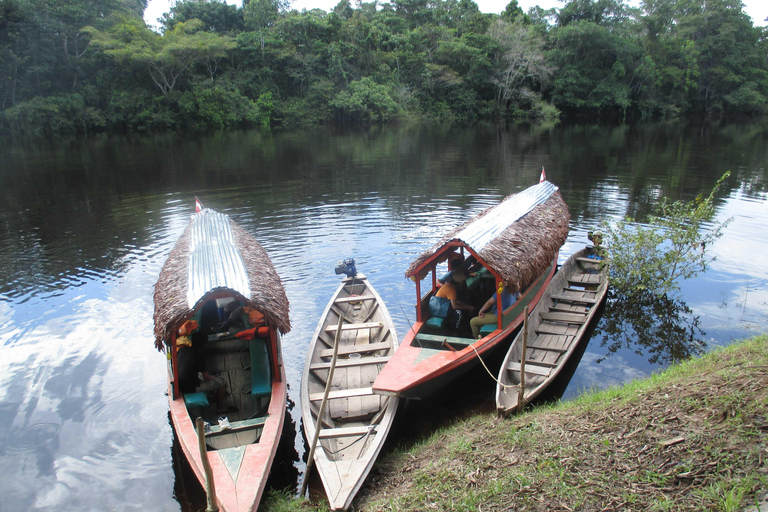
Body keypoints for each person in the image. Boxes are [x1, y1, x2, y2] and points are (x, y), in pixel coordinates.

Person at [177, 331, 232, 414]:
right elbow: (207, 377)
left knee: (201, 375)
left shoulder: (182, 350)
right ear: (204, 344)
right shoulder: (199, 356)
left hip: (180, 384)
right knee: (222, 381)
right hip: (191, 388)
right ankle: (220, 407)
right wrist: (213, 378)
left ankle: (217, 395)